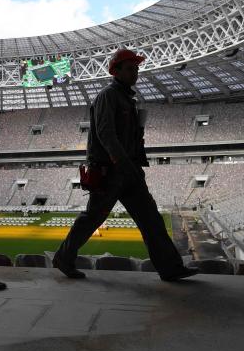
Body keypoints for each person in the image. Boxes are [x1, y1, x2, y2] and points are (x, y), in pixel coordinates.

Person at [53, 49, 199, 282]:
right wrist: (124, 163)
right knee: (93, 218)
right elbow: (105, 133)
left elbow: (128, 138)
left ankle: (170, 267)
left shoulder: (126, 100)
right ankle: (64, 257)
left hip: (128, 171)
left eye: (137, 69)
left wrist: (134, 164)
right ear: (116, 71)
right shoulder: (108, 96)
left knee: (151, 218)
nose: (135, 73)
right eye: (130, 69)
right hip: (111, 171)